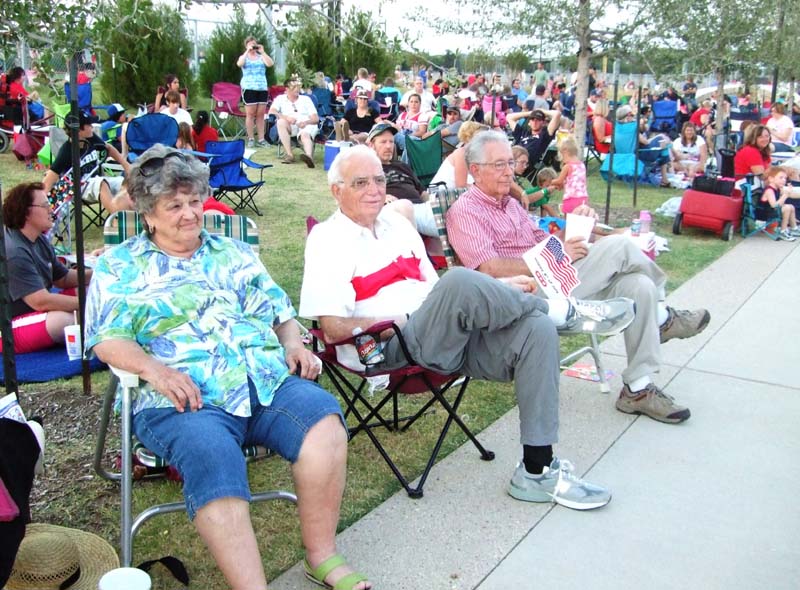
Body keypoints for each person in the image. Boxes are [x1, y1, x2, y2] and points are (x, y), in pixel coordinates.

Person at [83, 146, 372, 590]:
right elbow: (108, 339)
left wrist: (293, 344)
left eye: (194, 201)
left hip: (262, 382)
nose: (189, 214)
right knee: (213, 456)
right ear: (148, 214)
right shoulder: (120, 267)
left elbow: (278, 310)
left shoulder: (233, 252)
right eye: (173, 206)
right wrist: (157, 372)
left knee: (324, 423)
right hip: (183, 398)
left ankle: (322, 556)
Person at [300, 144, 638, 511]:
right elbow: (332, 329)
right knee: (460, 279)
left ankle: (536, 470)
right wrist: (399, 321)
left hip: (446, 335)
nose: (374, 189)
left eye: (380, 180)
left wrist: (497, 292)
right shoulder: (327, 240)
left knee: (537, 330)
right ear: (336, 191)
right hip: (392, 348)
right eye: (360, 182)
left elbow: (435, 290)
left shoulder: (397, 224)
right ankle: (565, 311)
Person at [446, 131, 712, 425]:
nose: (509, 171)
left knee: (639, 286)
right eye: (499, 165)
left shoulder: (510, 205)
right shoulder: (465, 211)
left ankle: (637, 389)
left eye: (510, 163)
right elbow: (488, 268)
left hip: (555, 278)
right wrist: (557, 254)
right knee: (621, 246)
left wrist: (576, 228)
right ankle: (664, 318)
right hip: (524, 295)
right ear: (475, 171)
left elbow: (545, 241)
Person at [1, 182, 91, 354]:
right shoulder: (14, 251)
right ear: (26, 212)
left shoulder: (38, 238)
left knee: (91, 289)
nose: (51, 209)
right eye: (45, 205)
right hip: (7, 325)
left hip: (33, 309)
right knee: (65, 321)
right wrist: (87, 305)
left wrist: (99, 274)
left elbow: (62, 278)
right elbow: (41, 301)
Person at [42, 112, 131, 215]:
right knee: (100, 183)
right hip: (78, 189)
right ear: (79, 130)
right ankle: (118, 218)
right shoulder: (66, 152)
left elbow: (109, 148)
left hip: (95, 181)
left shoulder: (91, 139)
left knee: (124, 183)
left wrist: (126, 165)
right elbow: (50, 178)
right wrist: (41, 201)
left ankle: (132, 216)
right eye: (89, 125)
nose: (92, 127)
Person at [367, 122, 437, 237]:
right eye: (383, 142)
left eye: (391, 142)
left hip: (419, 210)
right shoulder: (368, 168)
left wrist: (434, 203)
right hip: (395, 211)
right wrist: (382, 197)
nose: (389, 146)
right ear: (372, 145)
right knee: (405, 206)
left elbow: (422, 192)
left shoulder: (402, 166)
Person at [268, 78, 319, 167]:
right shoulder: (280, 99)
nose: (297, 89)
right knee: (280, 122)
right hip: (291, 126)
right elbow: (272, 111)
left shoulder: (306, 99)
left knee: (304, 134)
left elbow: (315, 119)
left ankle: (309, 157)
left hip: (306, 125)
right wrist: (286, 118)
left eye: (298, 87)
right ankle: (290, 155)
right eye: (294, 87)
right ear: (287, 89)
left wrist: (306, 122)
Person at [237, 36, 275, 148]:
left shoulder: (261, 57)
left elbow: (270, 64)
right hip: (249, 88)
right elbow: (239, 64)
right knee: (250, 114)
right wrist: (247, 51)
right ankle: (251, 138)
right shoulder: (244, 57)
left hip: (262, 88)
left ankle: (261, 139)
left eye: (254, 44)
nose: (253, 47)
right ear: (246, 45)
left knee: (260, 115)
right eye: (250, 44)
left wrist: (262, 52)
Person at [429, 121, 487, 189]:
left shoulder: (474, 155)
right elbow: (461, 186)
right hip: (441, 195)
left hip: (452, 194)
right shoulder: (462, 154)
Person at [508, 108, 561, 176]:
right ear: (529, 122)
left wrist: (542, 111)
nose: (535, 122)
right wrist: (530, 113)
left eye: (538, 120)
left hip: (524, 165)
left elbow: (557, 114)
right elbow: (509, 117)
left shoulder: (544, 135)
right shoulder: (523, 132)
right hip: (511, 160)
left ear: (543, 122)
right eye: (532, 119)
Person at [511, 146, 559, 216]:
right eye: (522, 162)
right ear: (511, 161)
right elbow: (526, 199)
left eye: (526, 163)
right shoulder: (506, 181)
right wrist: (546, 190)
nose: (525, 167)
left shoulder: (512, 178)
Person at [758, 166, 800, 241]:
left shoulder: (777, 188)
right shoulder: (769, 191)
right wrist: (785, 195)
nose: (784, 180)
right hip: (765, 215)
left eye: (785, 178)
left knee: (791, 206)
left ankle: (794, 228)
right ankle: (782, 231)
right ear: (771, 179)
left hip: (772, 211)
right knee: (787, 208)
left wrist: (787, 192)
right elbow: (775, 206)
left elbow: (786, 198)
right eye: (781, 178)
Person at [549, 136, 589, 214]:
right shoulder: (582, 165)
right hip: (583, 198)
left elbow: (559, 181)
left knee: (568, 220)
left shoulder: (568, 166)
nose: (562, 159)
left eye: (562, 155)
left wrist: (549, 181)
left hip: (571, 198)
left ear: (565, 152)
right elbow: (575, 182)